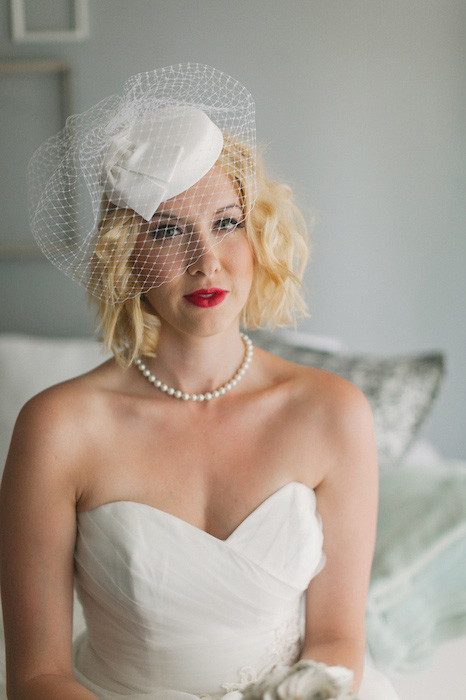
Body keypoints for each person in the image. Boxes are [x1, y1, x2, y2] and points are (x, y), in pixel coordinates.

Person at [0, 64, 400, 700]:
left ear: (260, 232)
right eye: (167, 231)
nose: (206, 260)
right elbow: (35, 676)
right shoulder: (57, 428)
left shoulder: (332, 412)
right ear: (126, 252)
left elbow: (336, 638)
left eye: (227, 222)